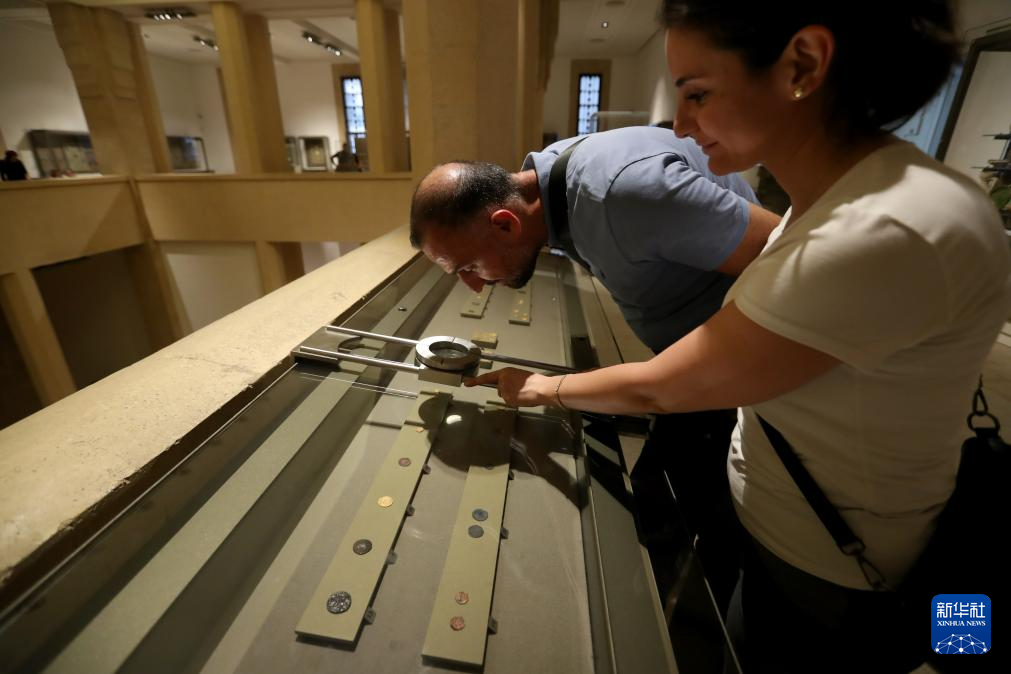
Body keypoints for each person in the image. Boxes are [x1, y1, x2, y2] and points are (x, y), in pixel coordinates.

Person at [468, 1, 1010, 672]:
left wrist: (541, 388)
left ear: (802, 66)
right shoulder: (845, 199)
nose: (679, 124)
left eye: (697, 92)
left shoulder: (881, 229)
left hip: (832, 567)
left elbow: (665, 388)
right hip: (797, 528)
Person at [410, 126, 781, 604]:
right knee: (657, 498)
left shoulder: (620, 190)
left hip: (753, 386)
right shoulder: (554, 180)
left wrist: (546, 388)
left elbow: (790, 258)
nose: (475, 286)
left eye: (468, 267)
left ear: (504, 225)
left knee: (714, 540)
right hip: (701, 368)